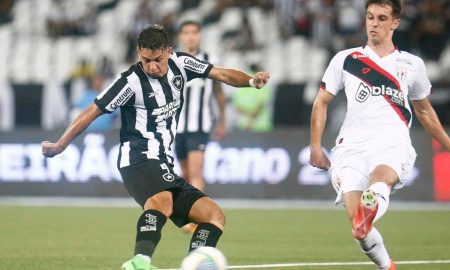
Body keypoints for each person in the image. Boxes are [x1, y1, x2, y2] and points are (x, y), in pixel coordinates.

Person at [41, 24, 270, 270]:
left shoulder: (182, 64)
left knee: (214, 216)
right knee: (162, 201)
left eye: (158, 60)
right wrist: (60, 144)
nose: (152, 66)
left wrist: (250, 81)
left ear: (169, 52)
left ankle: (193, 264)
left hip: (162, 161)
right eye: (146, 60)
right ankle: (140, 262)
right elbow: (92, 111)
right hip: (137, 158)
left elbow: (222, 74)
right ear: (139, 53)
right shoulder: (129, 82)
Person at [309, 1, 450, 270]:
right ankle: (387, 265)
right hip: (350, 145)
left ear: (394, 23)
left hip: (392, 140)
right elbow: (321, 102)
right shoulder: (346, 59)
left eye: (382, 18)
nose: (374, 23)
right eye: (370, 17)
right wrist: (315, 147)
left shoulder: (411, 64)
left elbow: (425, 113)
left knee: (380, 180)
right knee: (358, 226)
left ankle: (374, 197)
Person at [175, 20, 227, 234]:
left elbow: (218, 92)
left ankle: (198, 219)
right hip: (176, 127)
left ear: (200, 35)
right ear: (181, 36)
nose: (190, 37)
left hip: (200, 125)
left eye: (194, 32)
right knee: (185, 173)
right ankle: (190, 213)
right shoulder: (172, 61)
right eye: (186, 33)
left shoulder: (210, 60)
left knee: (196, 171)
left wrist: (222, 120)